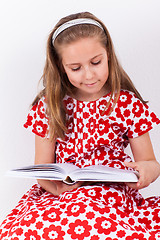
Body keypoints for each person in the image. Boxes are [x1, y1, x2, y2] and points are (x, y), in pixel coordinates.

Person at [0, 11, 160, 240]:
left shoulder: (125, 103)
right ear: (60, 66)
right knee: (34, 230)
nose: (89, 74)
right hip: (63, 195)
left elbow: (151, 162)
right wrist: (57, 189)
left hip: (111, 196)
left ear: (108, 55)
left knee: (95, 224)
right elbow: (42, 170)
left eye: (96, 62)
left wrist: (145, 172)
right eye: (76, 68)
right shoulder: (50, 105)